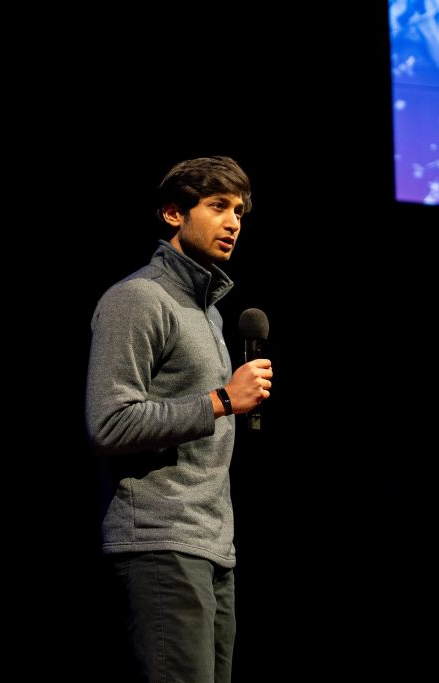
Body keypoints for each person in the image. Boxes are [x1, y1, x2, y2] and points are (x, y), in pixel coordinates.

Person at [85, 155, 272, 682]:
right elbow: (108, 423)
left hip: (212, 545)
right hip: (159, 542)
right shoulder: (138, 299)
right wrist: (220, 400)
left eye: (239, 211)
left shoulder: (208, 313)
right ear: (173, 213)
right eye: (217, 207)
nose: (234, 221)